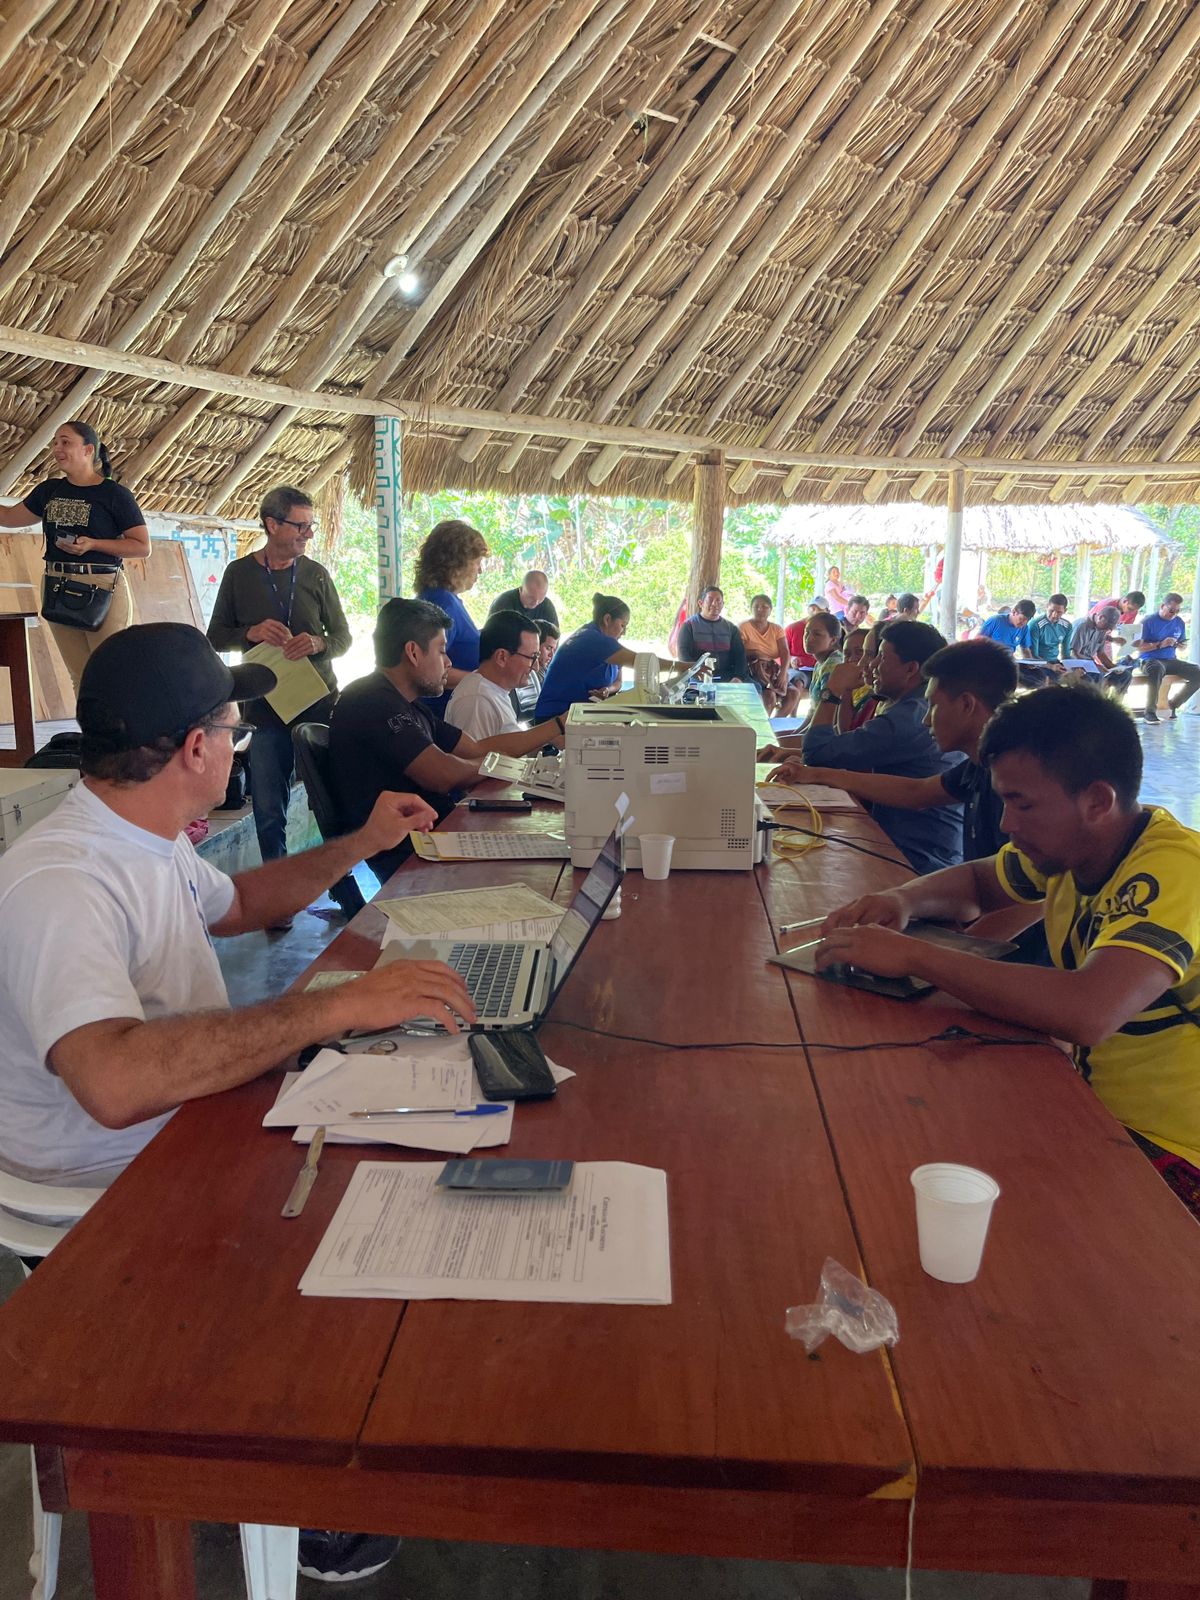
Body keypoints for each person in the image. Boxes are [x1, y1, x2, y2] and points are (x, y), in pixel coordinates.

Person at [0, 622, 473, 1588]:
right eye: (234, 723)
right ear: (197, 748)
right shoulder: (61, 882)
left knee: (404, 1107)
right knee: (373, 1191)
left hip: (169, 1130)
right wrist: (326, 1008)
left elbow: (244, 905)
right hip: (102, 1187)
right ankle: (296, 1481)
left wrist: (365, 843)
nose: (242, 741)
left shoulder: (139, 833)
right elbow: (117, 1082)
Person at [816, 684, 1200, 1221]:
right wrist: (901, 898)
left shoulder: (1171, 869)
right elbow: (978, 881)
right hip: (1092, 1107)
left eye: (1022, 803)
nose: (1006, 824)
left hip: (1170, 1152)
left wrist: (915, 957)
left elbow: (1087, 1012)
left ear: (1097, 801)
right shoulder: (1077, 849)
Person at [331, 599, 567, 884]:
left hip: (436, 836)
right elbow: (443, 774)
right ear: (413, 653)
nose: (449, 662)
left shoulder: (410, 705)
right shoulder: (372, 701)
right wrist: (504, 767)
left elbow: (478, 748)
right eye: (442, 651)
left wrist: (558, 725)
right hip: (411, 854)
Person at [207, 486, 351, 888]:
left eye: (311, 526)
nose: (308, 534)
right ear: (272, 524)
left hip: (318, 704)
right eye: (300, 526)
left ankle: (343, 889)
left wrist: (319, 643)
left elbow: (344, 638)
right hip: (266, 708)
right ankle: (279, 889)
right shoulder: (239, 574)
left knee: (331, 800)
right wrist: (249, 632)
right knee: (270, 806)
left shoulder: (316, 574)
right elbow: (216, 636)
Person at [775, 638, 1017, 862]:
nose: (926, 721)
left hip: (924, 860)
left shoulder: (1016, 783)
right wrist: (817, 775)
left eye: (933, 707)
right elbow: (916, 791)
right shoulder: (979, 766)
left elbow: (1025, 897)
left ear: (966, 704)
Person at [766, 621, 964, 875]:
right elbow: (839, 752)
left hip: (917, 860)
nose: (869, 665)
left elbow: (818, 754)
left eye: (879, 657)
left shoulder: (911, 716)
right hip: (893, 841)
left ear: (911, 669)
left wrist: (833, 691)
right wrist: (806, 765)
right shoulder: (902, 704)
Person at [0, 420, 151, 689]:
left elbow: (141, 546)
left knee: (110, 671)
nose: (57, 448)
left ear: (88, 450)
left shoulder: (114, 494)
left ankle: (117, 730)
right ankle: (88, 731)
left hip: (102, 587)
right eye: (55, 442)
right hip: (58, 586)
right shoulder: (49, 490)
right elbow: (9, 517)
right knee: (79, 676)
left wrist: (93, 544)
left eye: (65, 442)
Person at [534, 593, 686, 720]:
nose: (624, 632)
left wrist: (607, 689)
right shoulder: (592, 639)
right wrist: (683, 666)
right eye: (622, 625)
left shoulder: (609, 645)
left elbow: (618, 681)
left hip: (577, 714)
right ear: (607, 620)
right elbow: (642, 662)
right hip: (555, 718)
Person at [446, 610, 569, 745]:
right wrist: (559, 724)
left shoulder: (494, 690)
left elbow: (510, 745)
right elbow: (474, 761)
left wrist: (552, 741)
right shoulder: (477, 700)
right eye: (532, 657)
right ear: (502, 657)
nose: (536, 667)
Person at [413, 519, 489, 712]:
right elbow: (425, 669)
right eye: (477, 562)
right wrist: (484, 681)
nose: (480, 569)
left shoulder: (444, 599)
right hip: (444, 712)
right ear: (458, 563)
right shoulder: (442, 603)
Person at [1128, 592, 1200, 722]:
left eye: (1177, 611)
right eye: (1171, 610)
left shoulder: (1179, 622)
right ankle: (1149, 711)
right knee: (1156, 669)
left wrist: (1180, 645)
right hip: (1150, 658)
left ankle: (1173, 703)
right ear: (1162, 606)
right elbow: (1137, 646)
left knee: (1197, 672)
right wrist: (1159, 644)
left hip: (1171, 659)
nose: (1174, 614)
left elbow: (1182, 642)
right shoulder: (1148, 621)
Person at [677, 585, 748, 680]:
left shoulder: (731, 628)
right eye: (710, 600)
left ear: (723, 604)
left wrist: (738, 677)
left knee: (756, 688)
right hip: (697, 675)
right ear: (700, 603)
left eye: (718, 601)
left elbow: (740, 656)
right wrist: (696, 672)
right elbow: (683, 655)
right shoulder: (689, 626)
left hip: (727, 676)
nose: (714, 604)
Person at [740, 594, 795, 714]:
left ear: (770, 610)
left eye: (765, 606)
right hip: (753, 669)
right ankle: (765, 726)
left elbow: (785, 652)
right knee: (769, 696)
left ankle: (776, 725)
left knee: (793, 693)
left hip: (773, 669)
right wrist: (756, 653)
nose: (760, 609)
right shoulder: (743, 627)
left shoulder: (777, 629)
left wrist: (783, 673)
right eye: (757, 606)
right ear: (751, 609)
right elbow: (738, 652)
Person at [1067, 605, 1130, 693]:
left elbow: (1101, 653)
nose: (1108, 629)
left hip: (1089, 664)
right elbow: (1073, 653)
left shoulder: (1102, 629)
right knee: (1095, 678)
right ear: (1100, 617)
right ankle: (1095, 703)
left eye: (1110, 627)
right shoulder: (1082, 626)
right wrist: (1094, 666)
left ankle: (1115, 703)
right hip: (1075, 664)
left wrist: (1114, 667)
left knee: (1125, 675)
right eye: (1107, 626)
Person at [795, 611, 843, 726]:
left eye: (817, 634)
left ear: (833, 640)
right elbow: (813, 711)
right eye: (807, 632)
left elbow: (827, 717)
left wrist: (794, 737)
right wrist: (795, 733)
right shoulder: (820, 664)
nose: (808, 638)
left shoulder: (832, 666)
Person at [487, 569, 558, 629]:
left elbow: (554, 637)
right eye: (531, 597)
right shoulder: (502, 603)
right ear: (520, 590)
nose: (535, 602)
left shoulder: (547, 606)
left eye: (541, 598)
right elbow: (490, 635)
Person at [1028, 594, 1072, 672]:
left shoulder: (1067, 626)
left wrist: (1071, 668)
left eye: (1059, 612)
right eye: (1051, 611)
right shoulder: (1035, 625)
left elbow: (1066, 654)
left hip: (1055, 662)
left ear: (1065, 611)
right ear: (1047, 606)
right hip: (1039, 664)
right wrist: (1051, 667)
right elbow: (1034, 655)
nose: (1054, 615)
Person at [785, 602, 821, 694]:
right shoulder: (792, 628)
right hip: (797, 670)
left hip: (818, 669)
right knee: (798, 681)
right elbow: (780, 654)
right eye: (814, 608)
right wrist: (791, 659)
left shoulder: (828, 631)